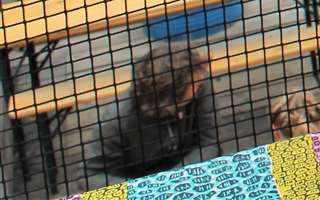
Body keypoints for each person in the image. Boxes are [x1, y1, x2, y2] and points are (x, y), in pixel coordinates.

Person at [84, 45, 219, 187]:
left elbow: (210, 142)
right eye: (195, 84)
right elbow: (90, 175)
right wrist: (142, 189)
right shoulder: (117, 119)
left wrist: (174, 178)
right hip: (138, 185)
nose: (200, 82)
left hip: (186, 178)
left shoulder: (198, 82)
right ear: (171, 97)